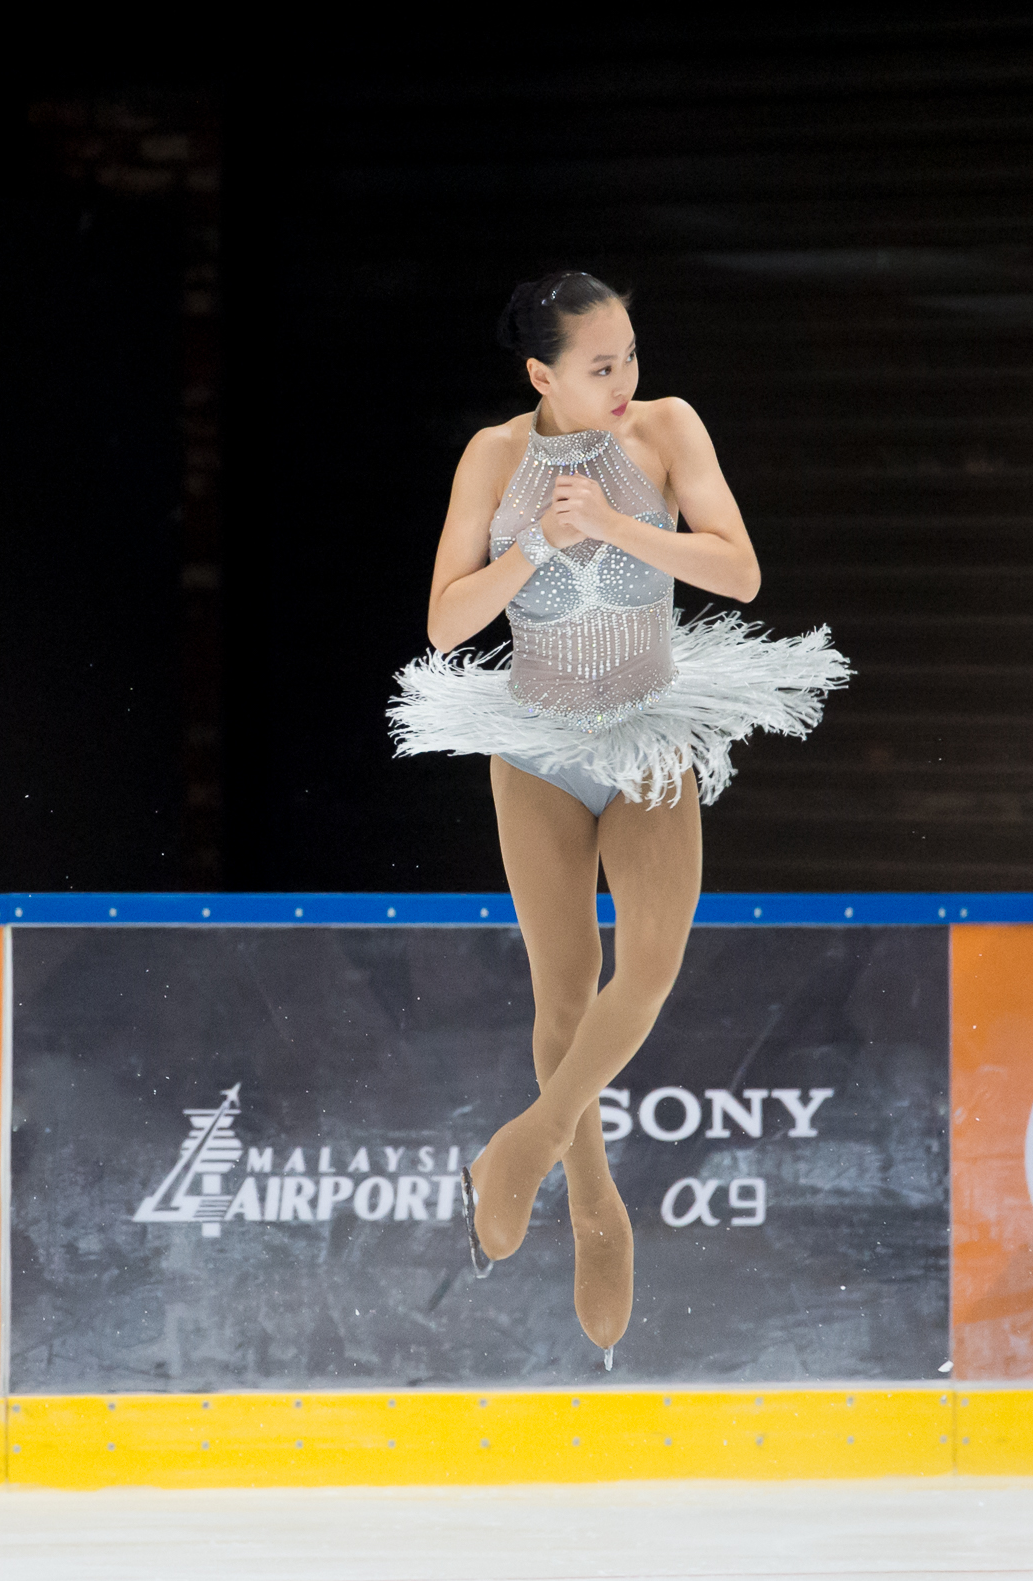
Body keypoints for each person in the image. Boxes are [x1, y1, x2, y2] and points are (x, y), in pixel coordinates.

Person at [388, 270, 847, 1364]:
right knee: (562, 990)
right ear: (541, 373)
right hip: (540, 739)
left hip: (646, 726)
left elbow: (736, 572)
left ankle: (525, 1149)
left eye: (631, 356)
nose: (625, 383)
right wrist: (537, 546)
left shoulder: (666, 430)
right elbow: (448, 622)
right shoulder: (496, 458)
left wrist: (614, 526)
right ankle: (594, 1206)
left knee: (643, 970)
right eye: (601, 367)